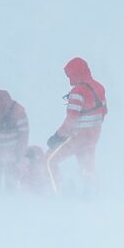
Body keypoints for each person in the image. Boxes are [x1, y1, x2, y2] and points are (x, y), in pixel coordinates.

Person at [46, 57, 107, 193]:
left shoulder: (78, 92)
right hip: (94, 136)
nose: (69, 81)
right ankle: (92, 192)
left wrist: (57, 137)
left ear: (77, 73)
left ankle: (58, 191)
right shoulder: (99, 87)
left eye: (70, 76)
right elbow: (104, 112)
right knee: (87, 165)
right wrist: (92, 129)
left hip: (78, 136)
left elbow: (71, 119)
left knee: (49, 160)